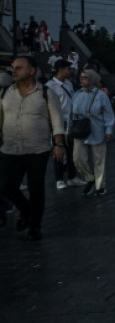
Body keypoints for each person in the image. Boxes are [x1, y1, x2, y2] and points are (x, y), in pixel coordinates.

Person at [0, 56, 66, 241]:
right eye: (13, 68)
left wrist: (58, 145)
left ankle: (35, 226)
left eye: (19, 68)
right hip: (10, 148)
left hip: (37, 150)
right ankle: (26, 210)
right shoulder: (5, 93)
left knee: (36, 188)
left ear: (32, 71)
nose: (14, 71)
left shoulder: (46, 93)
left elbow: (57, 121)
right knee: (7, 186)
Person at [70, 69, 115, 196]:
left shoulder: (101, 95)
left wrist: (109, 130)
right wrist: (69, 130)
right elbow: (70, 113)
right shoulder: (77, 94)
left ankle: (100, 185)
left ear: (92, 80)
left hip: (97, 130)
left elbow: (108, 114)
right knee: (77, 158)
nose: (82, 80)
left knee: (98, 160)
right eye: (81, 77)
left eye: (85, 77)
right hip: (80, 130)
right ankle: (90, 178)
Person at [47, 59, 84, 189]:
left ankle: (72, 177)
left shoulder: (69, 83)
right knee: (59, 150)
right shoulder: (50, 86)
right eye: (68, 69)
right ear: (61, 69)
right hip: (58, 123)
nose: (71, 71)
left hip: (71, 123)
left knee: (72, 151)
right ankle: (59, 179)